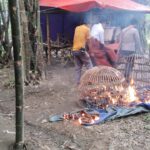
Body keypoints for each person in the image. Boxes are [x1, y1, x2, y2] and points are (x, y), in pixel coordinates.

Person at [118, 18, 143, 83]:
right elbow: (138, 42)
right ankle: (127, 77)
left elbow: (120, 42)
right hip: (131, 50)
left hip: (124, 49)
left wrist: (119, 50)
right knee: (130, 64)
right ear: (135, 24)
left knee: (127, 63)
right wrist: (140, 51)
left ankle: (126, 76)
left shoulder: (123, 30)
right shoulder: (135, 30)